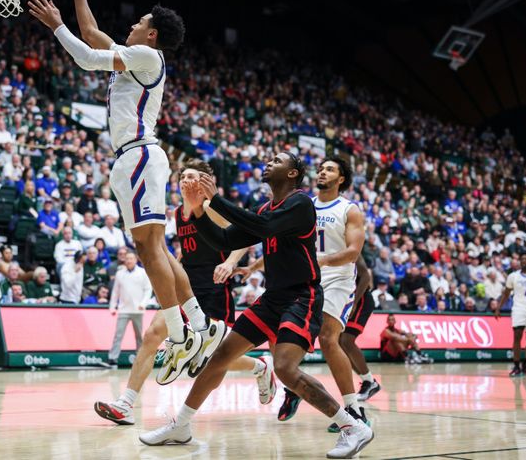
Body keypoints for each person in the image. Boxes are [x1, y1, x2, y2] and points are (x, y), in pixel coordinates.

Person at [28, 0, 211, 382]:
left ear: (151, 35)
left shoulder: (149, 57)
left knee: (152, 252)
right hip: (130, 161)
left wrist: (56, 25)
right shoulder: (135, 58)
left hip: (142, 157)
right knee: (154, 251)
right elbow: (92, 33)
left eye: (140, 22)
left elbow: (86, 57)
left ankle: (182, 335)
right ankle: (198, 327)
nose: (132, 25)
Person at [139, 152, 373, 458]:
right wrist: (197, 213)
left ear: (292, 173)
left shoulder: (301, 203)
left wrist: (217, 200)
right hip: (273, 297)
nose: (269, 161)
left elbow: (263, 227)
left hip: (302, 297)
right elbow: (224, 241)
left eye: (278, 160)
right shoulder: (266, 208)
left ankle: (352, 426)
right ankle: (181, 425)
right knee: (220, 356)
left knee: (286, 368)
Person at [95, 161, 273, 426]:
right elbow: (191, 248)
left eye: (193, 176)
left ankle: (260, 366)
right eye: (183, 176)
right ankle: (126, 404)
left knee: (214, 358)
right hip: (186, 286)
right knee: (152, 335)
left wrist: (229, 262)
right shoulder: (178, 213)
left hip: (214, 287)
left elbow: (247, 235)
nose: (186, 180)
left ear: (204, 182)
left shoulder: (212, 208)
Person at [265, 158, 367, 429]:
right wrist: (249, 266)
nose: (322, 171)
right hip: (305, 277)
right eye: (321, 168)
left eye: (330, 169)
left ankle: (354, 409)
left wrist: (320, 260)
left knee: (327, 338)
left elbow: (353, 252)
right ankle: (292, 388)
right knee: (278, 331)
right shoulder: (302, 204)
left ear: (341, 179)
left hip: (337, 280)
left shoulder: (350, 209)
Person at [341, 256, 381, 402]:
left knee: (346, 341)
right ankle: (369, 381)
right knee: (339, 345)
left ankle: (369, 381)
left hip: (360, 298)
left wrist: (355, 302)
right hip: (345, 298)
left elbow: (365, 276)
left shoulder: (352, 249)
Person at [106, 252, 150, 366]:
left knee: (139, 336)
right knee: (118, 334)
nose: (129, 260)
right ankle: (113, 358)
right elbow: (115, 291)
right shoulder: (120, 273)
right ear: (124, 260)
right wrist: (112, 306)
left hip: (138, 310)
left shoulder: (142, 273)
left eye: (131, 258)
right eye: (127, 259)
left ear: (136, 260)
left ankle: (140, 358)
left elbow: (148, 290)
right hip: (123, 310)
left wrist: (143, 303)